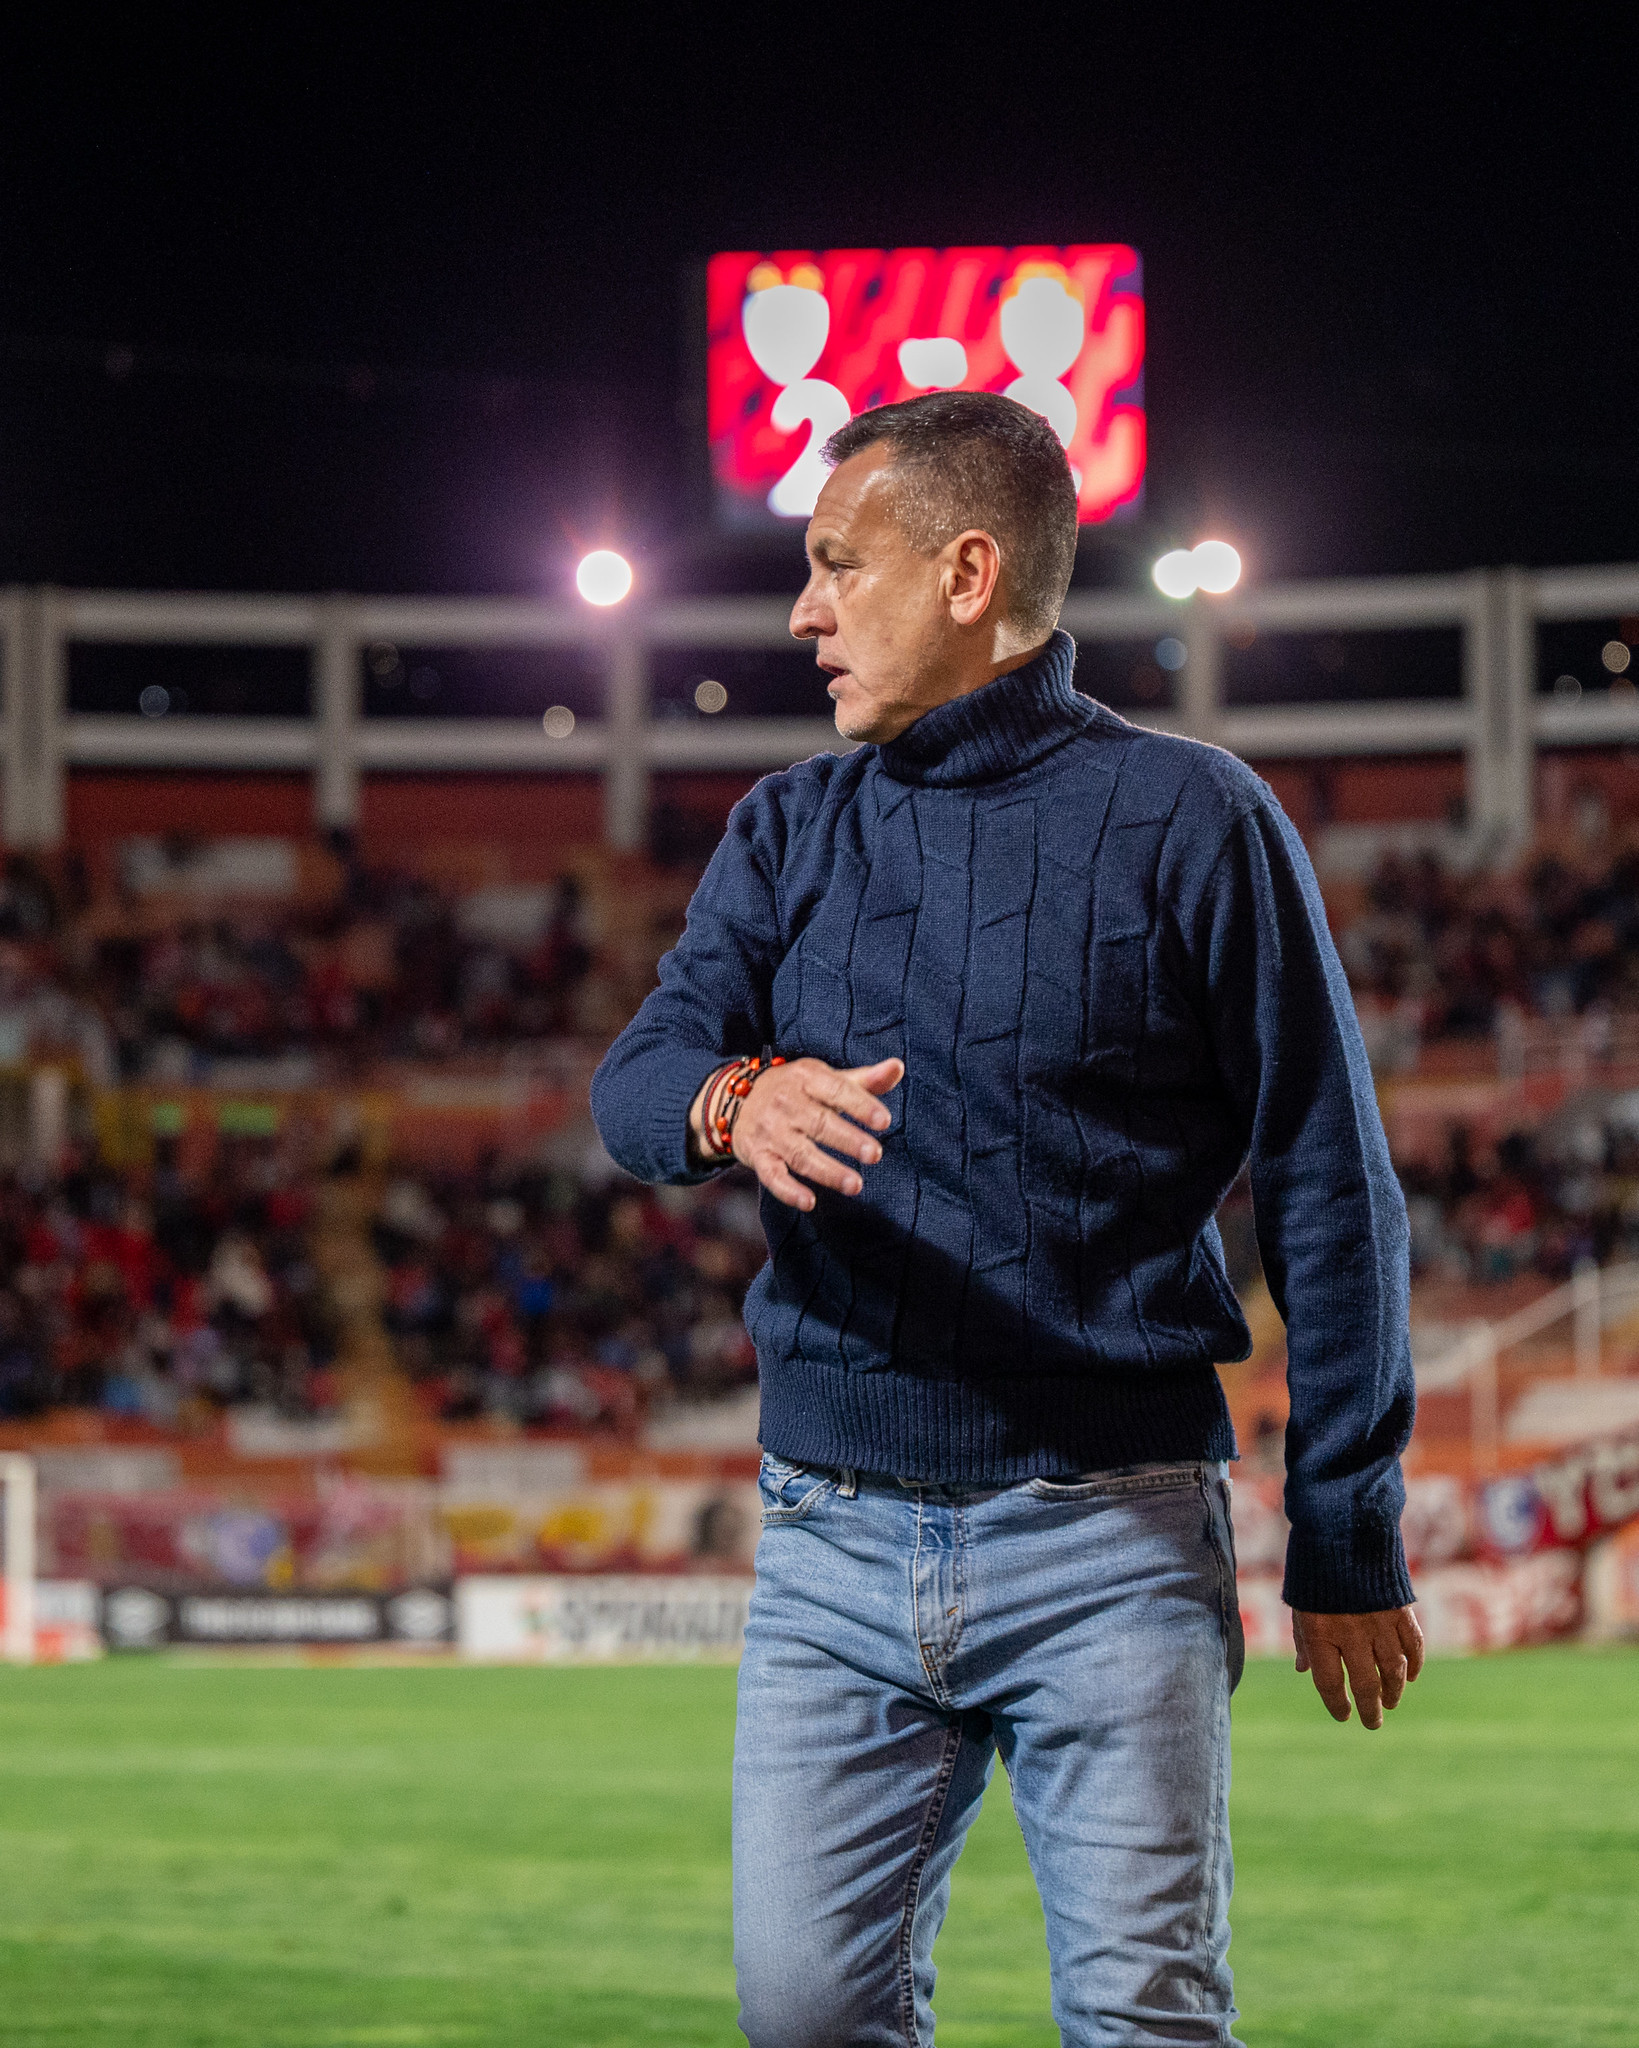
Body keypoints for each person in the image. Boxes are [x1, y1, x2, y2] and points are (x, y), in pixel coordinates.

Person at [591, 390, 1423, 2048]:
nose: (801, 613)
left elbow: (1331, 1179)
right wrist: (735, 1101)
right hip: (830, 1538)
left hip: (1110, 1540)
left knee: (1143, 2021)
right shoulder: (784, 830)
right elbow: (639, 1080)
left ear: (968, 573)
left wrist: (1346, 1528)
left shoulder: (1200, 820)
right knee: (805, 2017)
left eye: (839, 567)